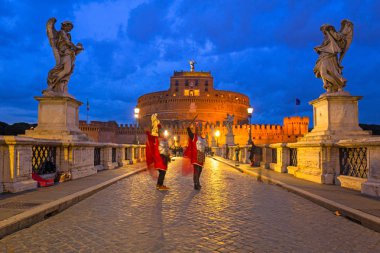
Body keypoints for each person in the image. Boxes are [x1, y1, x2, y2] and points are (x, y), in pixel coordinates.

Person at [145, 114, 170, 191]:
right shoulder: (157, 139)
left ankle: (160, 184)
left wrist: (168, 155)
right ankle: (159, 185)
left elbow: (166, 149)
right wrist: (149, 132)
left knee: (163, 172)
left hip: (164, 158)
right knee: (162, 172)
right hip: (160, 158)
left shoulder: (164, 140)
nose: (163, 134)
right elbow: (151, 138)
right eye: (162, 133)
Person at [184, 123, 207, 190]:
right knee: (196, 170)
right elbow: (190, 134)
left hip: (201, 156)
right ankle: (195, 184)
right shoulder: (194, 136)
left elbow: (204, 147)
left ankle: (198, 181)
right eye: (198, 130)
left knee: (200, 170)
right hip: (196, 155)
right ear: (196, 131)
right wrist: (188, 129)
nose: (200, 131)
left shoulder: (203, 138)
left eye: (200, 130)